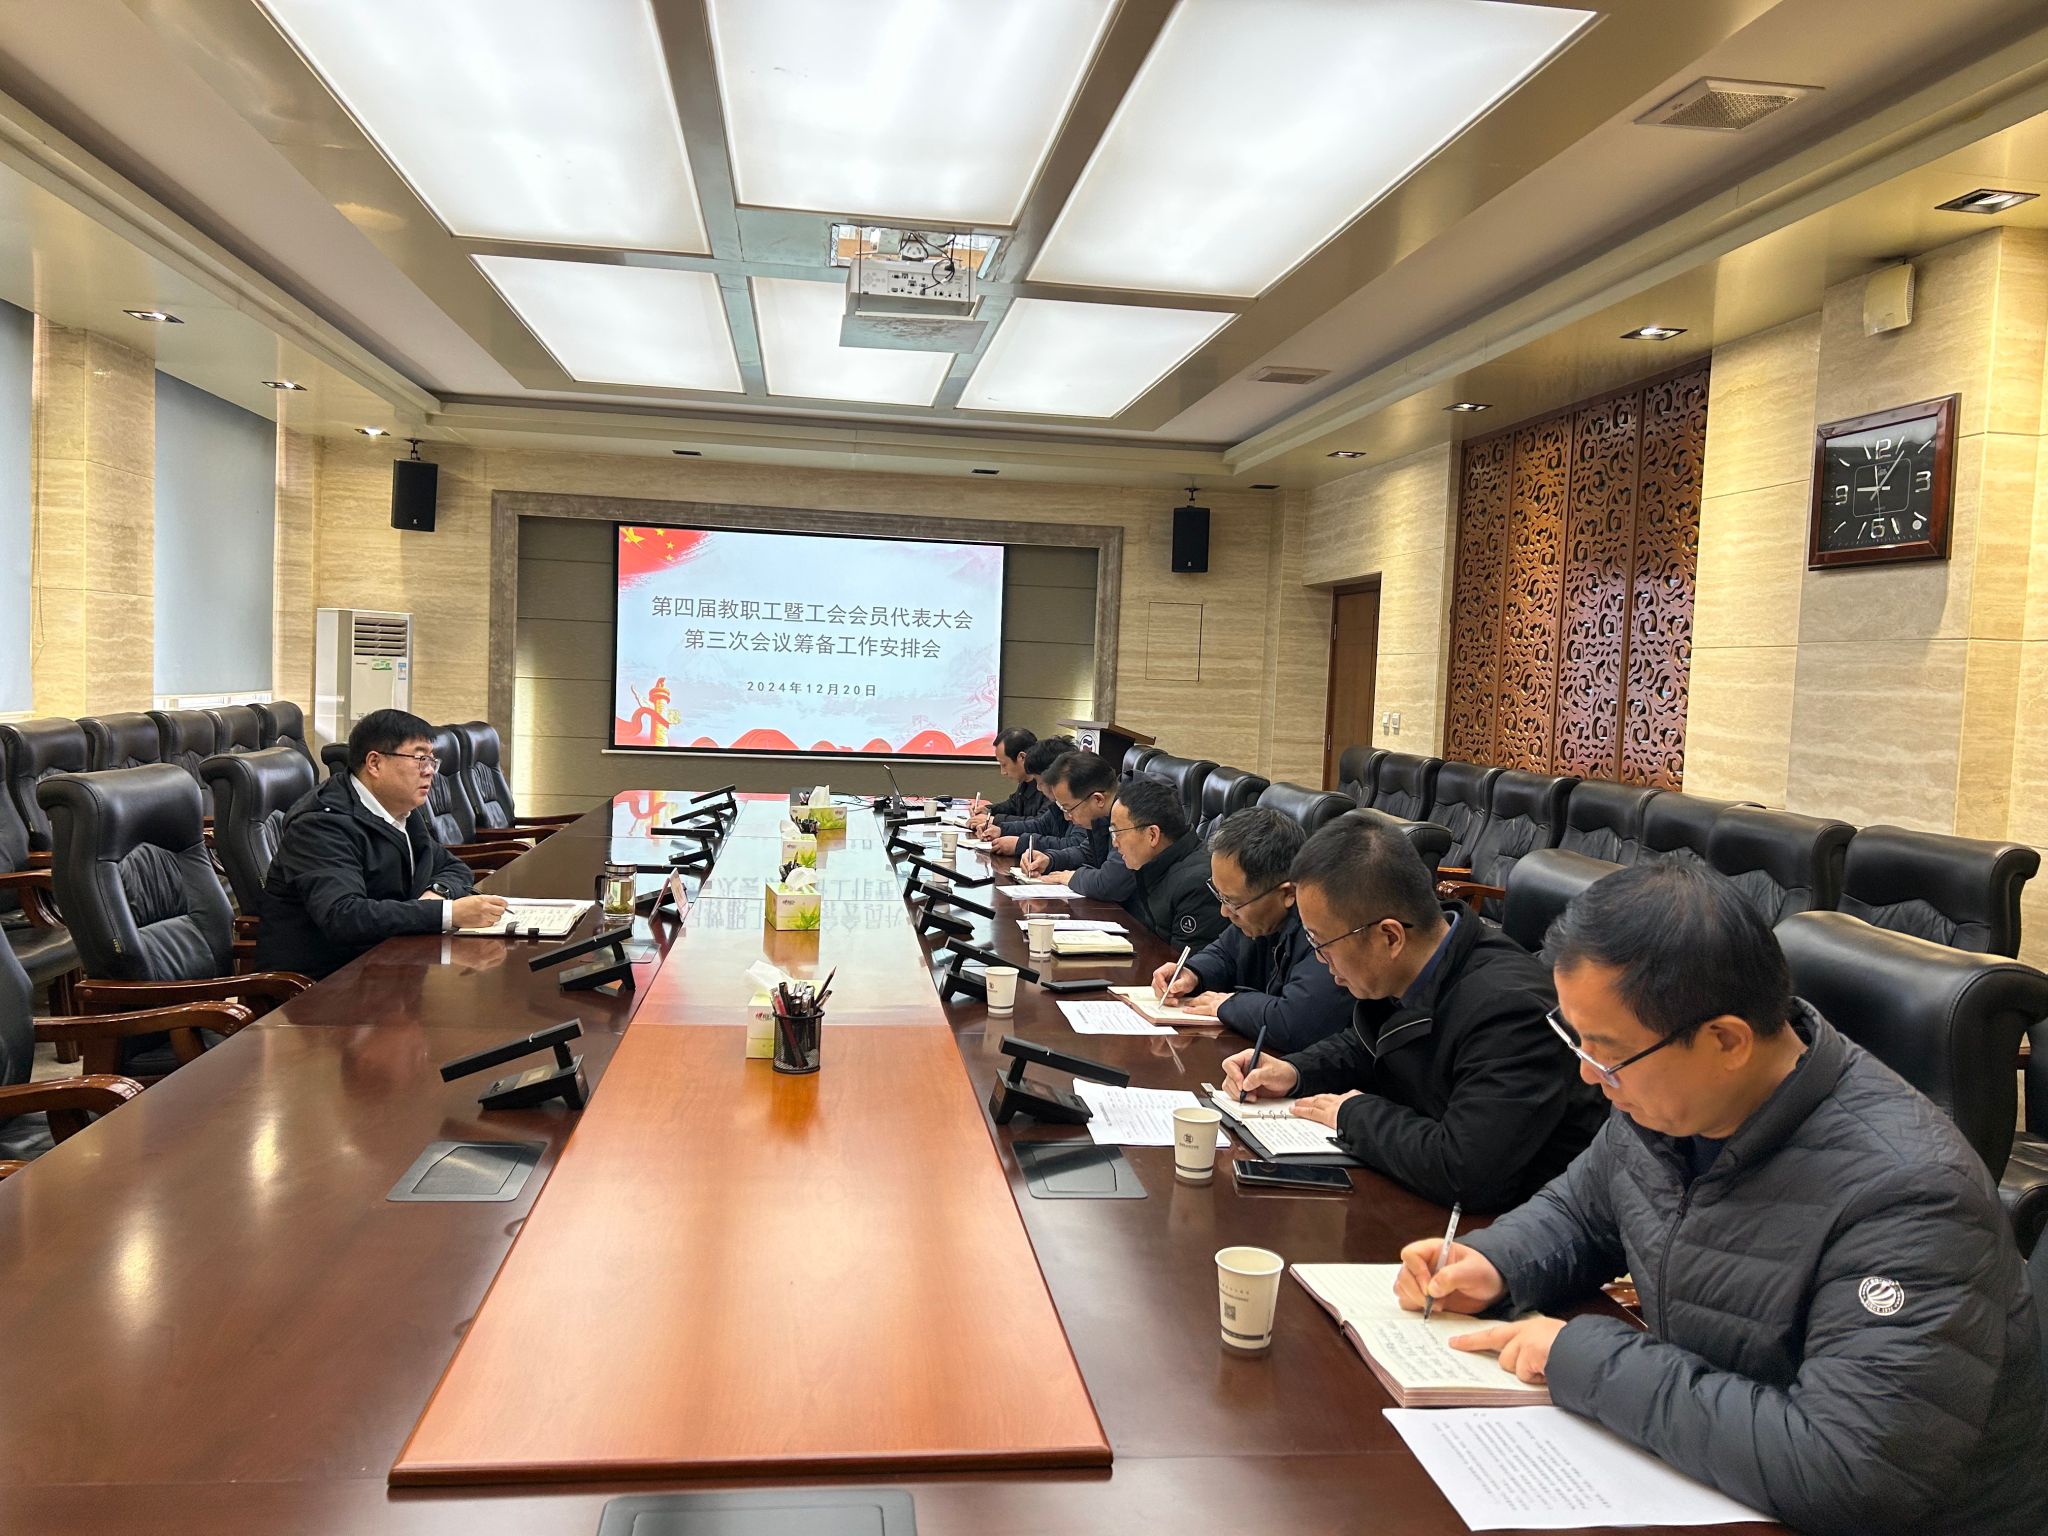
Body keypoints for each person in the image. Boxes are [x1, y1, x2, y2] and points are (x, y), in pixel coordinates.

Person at [1393, 861, 2048, 1536]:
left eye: (1606, 1051)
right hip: (1720, 1478)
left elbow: (1849, 1474)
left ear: (1727, 1041)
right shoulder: (1666, 1098)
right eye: (1577, 1040)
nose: (1588, 1074)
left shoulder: (1911, 1196)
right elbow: (1585, 1210)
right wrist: (1495, 1261)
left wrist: (1581, 1358)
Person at [1221, 815, 1604, 1209]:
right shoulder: (1415, 966)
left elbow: (1464, 1171)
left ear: (1389, 936)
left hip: (1499, 1226)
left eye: (1321, 942)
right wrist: (1295, 1072)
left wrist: (1353, 1115)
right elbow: (1371, 1045)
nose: (1319, 959)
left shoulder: (1511, 1010)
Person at [255, 709, 508, 979]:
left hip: (388, 966)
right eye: (420, 759)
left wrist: (436, 894)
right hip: (323, 984)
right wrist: (446, 913)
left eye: (432, 760)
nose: (430, 771)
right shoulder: (321, 824)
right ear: (375, 763)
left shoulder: (399, 809)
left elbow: (454, 868)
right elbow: (344, 916)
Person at [1150, 807, 1349, 1050]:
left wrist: (1229, 1005)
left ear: (1288, 893)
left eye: (1232, 902)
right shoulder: (1256, 918)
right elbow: (1224, 953)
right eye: (1219, 896)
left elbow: (1296, 1022)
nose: (1224, 912)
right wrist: (1193, 974)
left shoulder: (1325, 929)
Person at [1015, 750, 1117, 881]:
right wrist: (1050, 860)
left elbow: (1112, 879)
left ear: (1098, 799)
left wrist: (1072, 878)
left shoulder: (1130, 816)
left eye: (1069, 809)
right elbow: (1087, 853)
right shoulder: (1100, 817)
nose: (1067, 817)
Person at [979, 735, 1077, 856]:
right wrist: (1001, 830)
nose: (1038, 787)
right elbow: (1040, 825)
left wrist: (1020, 844)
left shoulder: (1082, 804)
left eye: (1040, 782)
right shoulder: (1058, 805)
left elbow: (1075, 845)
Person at [971, 728, 1041, 822]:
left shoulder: (1047, 784)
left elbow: (1039, 823)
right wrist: (988, 810)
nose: (1003, 772)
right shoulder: (1025, 781)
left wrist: (993, 820)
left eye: (1004, 764)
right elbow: (1012, 805)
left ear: (1022, 757)